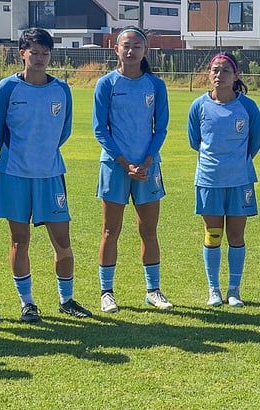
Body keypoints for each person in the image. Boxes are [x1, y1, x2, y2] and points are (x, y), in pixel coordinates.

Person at [0, 28, 90, 322]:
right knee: (19, 240)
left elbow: (64, 131)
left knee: (62, 241)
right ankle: (27, 303)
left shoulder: (61, 89)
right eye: (34, 52)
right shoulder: (7, 88)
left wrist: (43, 154)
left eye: (45, 53)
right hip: (14, 174)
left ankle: (66, 299)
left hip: (50, 174)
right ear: (22, 53)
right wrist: (21, 155)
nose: (40, 58)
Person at [92, 27, 171, 313]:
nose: (131, 51)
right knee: (110, 230)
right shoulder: (107, 84)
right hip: (115, 167)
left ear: (145, 51)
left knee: (149, 231)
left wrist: (147, 161)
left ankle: (153, 290)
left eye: (137, 46)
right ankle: (106, 293)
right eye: (126, 46)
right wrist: (125, 163)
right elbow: (100, 130)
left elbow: (160, 128)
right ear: (116, 49)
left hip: (148, 167)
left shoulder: (156, 85)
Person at [187, 53, 260, 308]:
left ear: (236, 75)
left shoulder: (248, 107)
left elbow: (255, 143)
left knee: (236, 235)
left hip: (240, 181)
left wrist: (236, 163)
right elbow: (194, 141)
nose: (220, 75)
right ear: (209, 74)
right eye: (215, 70)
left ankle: (234, 289)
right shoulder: (199, 106)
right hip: (209, 180)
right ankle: (214, 289)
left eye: (225, 71)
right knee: (213, 234)